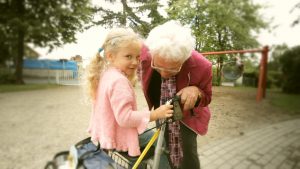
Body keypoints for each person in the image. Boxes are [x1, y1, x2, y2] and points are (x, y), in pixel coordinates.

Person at [84, 28, 174, 160]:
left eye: (137, 57)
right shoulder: (119, 81)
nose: (134, 62)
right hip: (118, 136)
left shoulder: (105, 75)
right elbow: (125, 118)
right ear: (110, 56)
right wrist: (155, 114)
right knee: (159, 144)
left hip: (106, 132)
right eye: (128, 56)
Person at [139, 20, 213, 169]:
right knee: (163, 144)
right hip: (161, 109)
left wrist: (197, 92)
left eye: (173, 68)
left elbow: (207, 97)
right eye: (158, 67)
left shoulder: (203, 66)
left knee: (188, 153)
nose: (165, 74)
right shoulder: (144, 54)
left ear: (185, 58)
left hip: (188, 117)